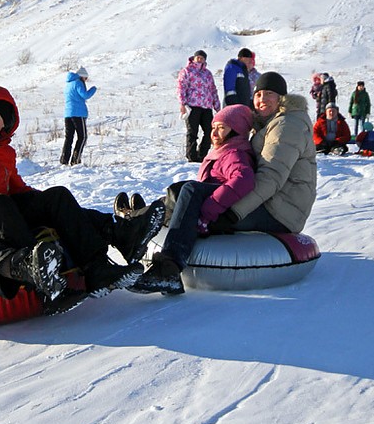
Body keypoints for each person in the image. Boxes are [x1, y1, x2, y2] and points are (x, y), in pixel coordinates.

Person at [0, 81, 163, 302]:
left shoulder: (5, 153)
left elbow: (20, 190)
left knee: (56, 196)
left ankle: (101, 261)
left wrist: (56, 207)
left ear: (5, 122)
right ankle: (38, 276)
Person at [130, 105, 256, 295]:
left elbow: (244, 179)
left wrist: (209, 209)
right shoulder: (224, 151)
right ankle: (140, 214)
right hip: (208, 209)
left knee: (189, 190)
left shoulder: (235, 153)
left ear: (237, 130)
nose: (215, 131)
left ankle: (169, 269)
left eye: (222, 127)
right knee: (178, 193)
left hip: (216, 215)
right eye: (214, 126)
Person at [227, 72, 317, 234]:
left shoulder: (287, 125)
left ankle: (173, 257)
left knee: (206, 213)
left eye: (269, 94)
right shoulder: (267, 125)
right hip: (269, 202)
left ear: (281, 98)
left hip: (281, 212)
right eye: (258, 94)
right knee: (192, 193)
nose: (262, 99)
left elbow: (271, 177)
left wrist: (233, 212)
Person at [177, 50, 220, 162]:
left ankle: (202, 155)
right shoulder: (187, 71)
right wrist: (182, 103)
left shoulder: (208, 74)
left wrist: (217, 106)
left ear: (205, 60)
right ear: (194, 58)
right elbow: (181, 87)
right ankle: (191, 156)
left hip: (206, 106)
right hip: (192, 105)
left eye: (202, 58)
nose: (200, 59)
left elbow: (213, 89)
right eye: (198, 57)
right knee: (192, 132)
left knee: (209, 131)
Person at [60, 66, 97, 165]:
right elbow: (85, 95)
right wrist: (93, 89)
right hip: (78, 114)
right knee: (82, 137)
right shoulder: (78, 83)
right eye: (85, 78)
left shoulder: (68, 84)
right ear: (82, 76)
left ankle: (64, 160)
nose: (86, 80)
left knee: (69, 138)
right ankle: (75, 160)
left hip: (68, 114)